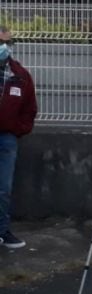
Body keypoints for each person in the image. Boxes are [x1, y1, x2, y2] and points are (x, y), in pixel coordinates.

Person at [0, 26, 37, 249]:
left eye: (8, 43)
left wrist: (17, 129)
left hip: (7, 138)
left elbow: (29, 108)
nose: (5, 47)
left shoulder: (20, 75)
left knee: (3, 188)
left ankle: (2, 231)